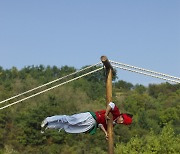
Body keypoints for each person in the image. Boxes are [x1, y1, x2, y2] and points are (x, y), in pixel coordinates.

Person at [41, 102, 133, 140]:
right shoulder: (116, 113)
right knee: (70, 119)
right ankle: (48, 119)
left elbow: (101, 125)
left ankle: (49, 126)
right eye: (122, 119)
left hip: (91, 125)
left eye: (123, 122)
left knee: (70, 128)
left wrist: (106, 133)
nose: (121, 121)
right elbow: (111, 104)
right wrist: (106, 113)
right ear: (122, 116)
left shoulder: (112, 125)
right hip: (90, 117)